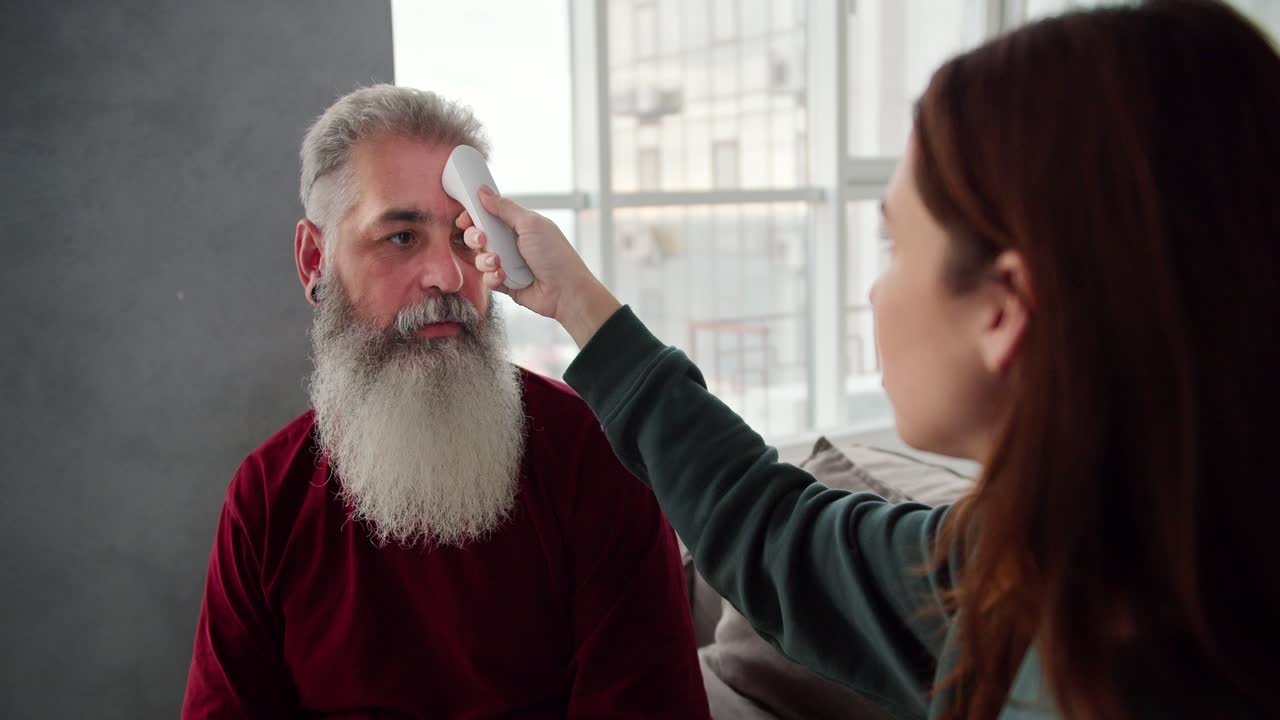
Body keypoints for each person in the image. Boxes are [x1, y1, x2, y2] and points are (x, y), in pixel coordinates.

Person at [459, 1, 1280, 718]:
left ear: (1002, 310)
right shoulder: (1024, 568)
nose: (874, 294)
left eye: (892, 243)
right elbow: (772, 530)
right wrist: (576, 300)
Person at [181, 85, 710, 719]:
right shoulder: (267, 497)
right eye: (401, 237)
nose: (450, 275)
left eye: (465, 237)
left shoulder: (595, 459)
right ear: (315, 260)